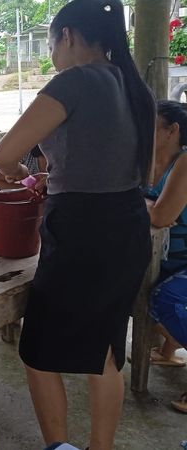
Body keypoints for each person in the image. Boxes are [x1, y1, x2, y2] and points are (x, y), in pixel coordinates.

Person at [0, 1, 155, 449]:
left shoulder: (74, 81)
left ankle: (58, 447)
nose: (52, 58)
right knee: (105, 350)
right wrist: (62, 175)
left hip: (83, 233)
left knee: (38, 352)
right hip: (128, 225)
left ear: (67, 36)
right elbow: (134, 170)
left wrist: (20, 172)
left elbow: (4, 155)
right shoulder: (135, 86)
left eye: (50, 46)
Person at [144, 100, 187, 413]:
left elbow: (161, 217)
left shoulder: (185, 162)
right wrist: (149, 207)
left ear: (172, 131)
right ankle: (168, 352)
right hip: (167, 259)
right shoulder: (145, 160)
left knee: (164, 299)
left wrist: (147, 208)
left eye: (149, 125)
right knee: (135, 291)